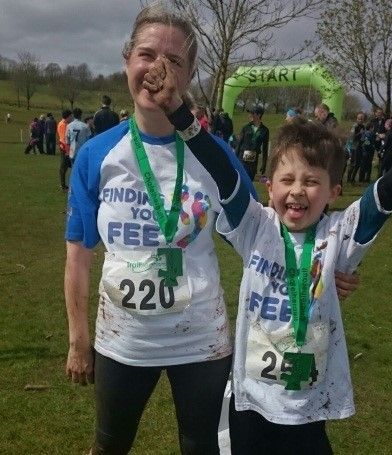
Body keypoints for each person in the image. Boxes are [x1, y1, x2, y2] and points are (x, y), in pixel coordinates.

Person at [143, 73, 392, 452]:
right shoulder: (255, 226)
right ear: (270, 185)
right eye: (287, 179)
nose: (297, 191)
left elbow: (384, 197)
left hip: (309, 405)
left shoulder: (338, 235)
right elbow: (223, 174)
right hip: (253, 403)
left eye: (312, 181)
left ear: (334, 192)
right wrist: (181, 115)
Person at [64, 6, 257, 454]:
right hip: (124, 339)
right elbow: (78, 252)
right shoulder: (97, 155)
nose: (157, 70)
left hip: (201, 339)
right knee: (109, 446)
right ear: (128, 59)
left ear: (189, 74)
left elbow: (260, 236)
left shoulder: (216, 155)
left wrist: (324, 265)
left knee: (201, 447)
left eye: (173, 61)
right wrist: (77, 339)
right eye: (147, 54)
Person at [235, 106, 269, 180]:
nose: (250, 115)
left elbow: (265, 148)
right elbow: (239, 144)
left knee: (249, 179)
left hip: (253, 161)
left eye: (252, 113)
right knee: (240, 179)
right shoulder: (246, 127)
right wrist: (234, 159)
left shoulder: (265, 130)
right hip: (241, 158)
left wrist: (264, 164)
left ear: (259, 115)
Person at [347, 111, 366, 184]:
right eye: (359, 118)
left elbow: (363, 138)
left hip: (360, 147)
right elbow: (351, 137)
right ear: (357, 119)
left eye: (362, 119)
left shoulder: (363, 126)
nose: (361, 120)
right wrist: (359, 133)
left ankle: (353, 179)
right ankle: (349, 179)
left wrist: (366, 141)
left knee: (358, 164)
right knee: (353, 163)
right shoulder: (354, 126)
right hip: (353, 147)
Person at [57, 109, 73, 191]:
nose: (72, 117)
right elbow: (64, 139)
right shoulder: (63, 125)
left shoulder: (65, 123)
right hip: (64, 148)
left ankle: (64, 185)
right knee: (64, 167)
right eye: (71, 116)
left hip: (66, 147)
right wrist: (67, 151)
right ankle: (63, 185)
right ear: (68, 116)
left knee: (67, 166)